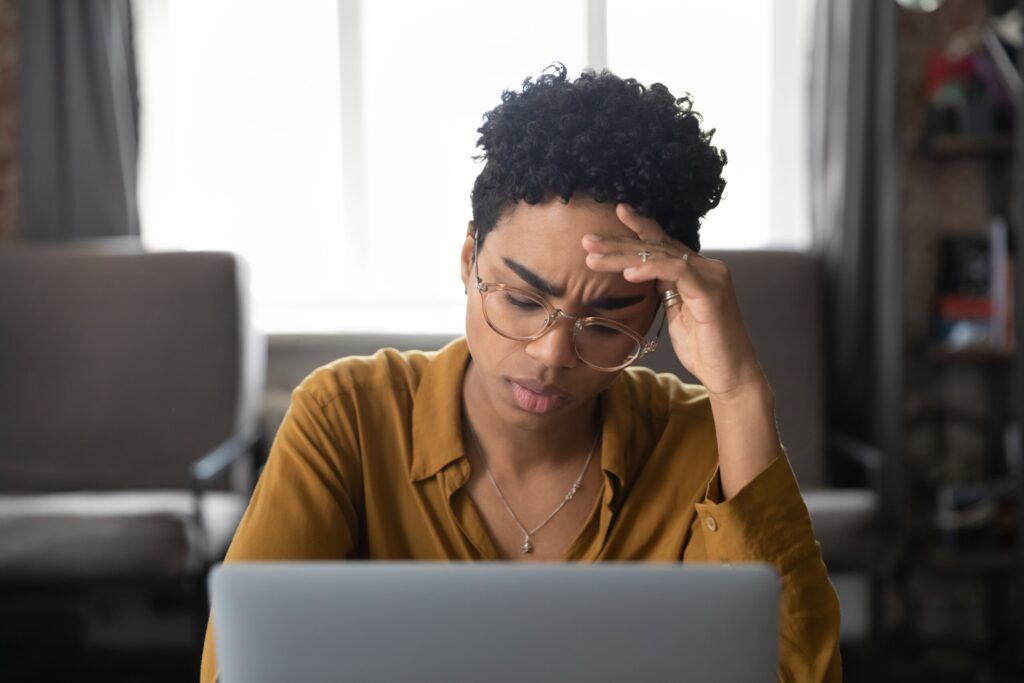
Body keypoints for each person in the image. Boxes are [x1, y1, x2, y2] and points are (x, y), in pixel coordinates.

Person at [200, 64, 841, 682]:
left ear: (659, 314)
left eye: (609, 318)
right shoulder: (347, 417)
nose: (553, 353)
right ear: (468, 260)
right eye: (523, 300)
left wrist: (738, 392)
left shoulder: (704, 444)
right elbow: (242, 669)